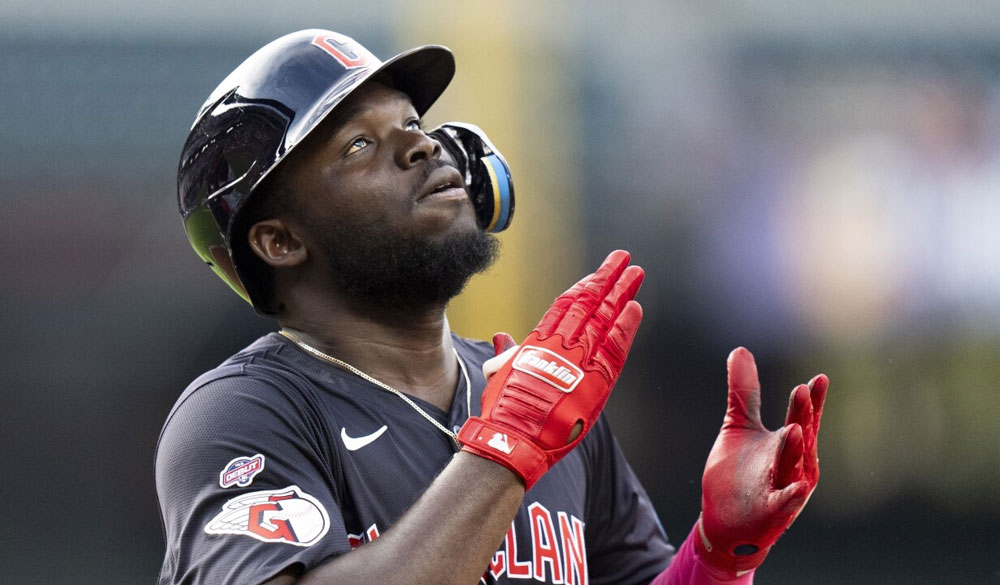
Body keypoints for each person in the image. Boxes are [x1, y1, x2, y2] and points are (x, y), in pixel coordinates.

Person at [157, 29, 829, 585]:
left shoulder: (543, 397)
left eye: (412, 123)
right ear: (279, 241)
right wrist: (508, 447)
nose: (423, 145)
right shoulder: (241, 414)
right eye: (359, 145)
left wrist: (718, 554)